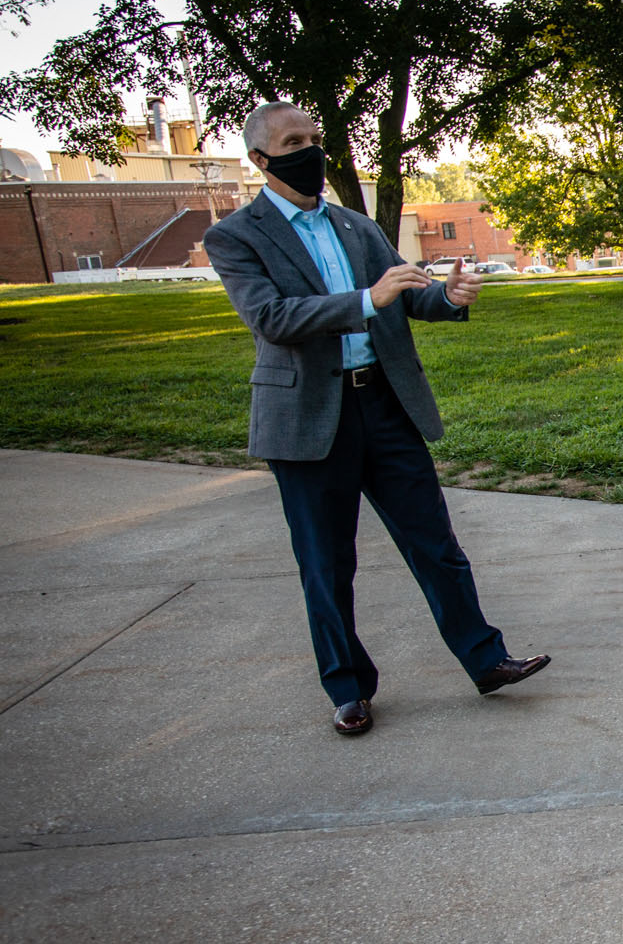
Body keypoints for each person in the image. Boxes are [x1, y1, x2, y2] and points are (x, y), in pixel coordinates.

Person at [205, 101, 552, 737]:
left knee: (436, 546)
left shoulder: (354, 225)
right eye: (293, 141)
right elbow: (272, 320)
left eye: (314, 137)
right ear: (260, 160)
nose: (311, 149)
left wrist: (445, 295)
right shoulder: (234, 237)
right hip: (310, 417)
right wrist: (370, 297)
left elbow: (406, 297)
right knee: (327, 562)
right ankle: (348, 688)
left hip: (385, 405)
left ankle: (486, 660)